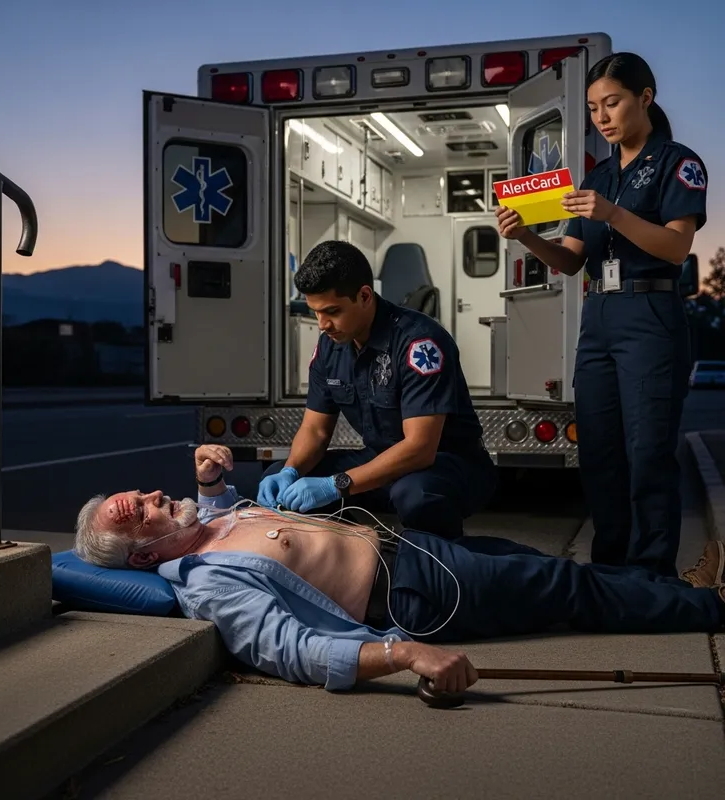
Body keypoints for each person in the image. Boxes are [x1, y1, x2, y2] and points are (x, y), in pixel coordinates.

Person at [73, 445, 725, 695]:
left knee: (546, 567)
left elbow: (212, 520)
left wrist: (210, 484)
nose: (160, 498)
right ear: (146, 556)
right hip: (411, 592)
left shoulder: (203, 527)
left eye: (148, 495)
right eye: (144, 512)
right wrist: (405, 654)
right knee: (568, 587)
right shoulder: (211, 583)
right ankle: (707, 607)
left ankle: (676, 589)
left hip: (410, 547)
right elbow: (288, 648)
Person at [495, 52, 708, 579]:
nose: (602, 117)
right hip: (600, 318)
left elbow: (677, 248)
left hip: (650, 314)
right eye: (593, 109)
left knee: (648, 455)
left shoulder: (678, 162)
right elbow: (570, 261)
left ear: (645, 99)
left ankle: (652, 575)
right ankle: (611, 571)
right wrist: (523, 234)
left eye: (611, 103)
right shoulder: (601, 175)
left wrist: (613, 214)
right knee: (599, 454)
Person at [257, 239, 498, 541]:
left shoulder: (419, 343)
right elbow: (316, 431)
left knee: (415, 496)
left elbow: (420, 449)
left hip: (447, 464)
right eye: (315, 312)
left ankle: (442, 568)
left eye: (332, 311)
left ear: (364, 296)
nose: (322, 324)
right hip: (381, 460)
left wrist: (336, 484)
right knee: (280, 479)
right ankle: (346, 555)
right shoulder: (331, 346)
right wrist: (290, 471)